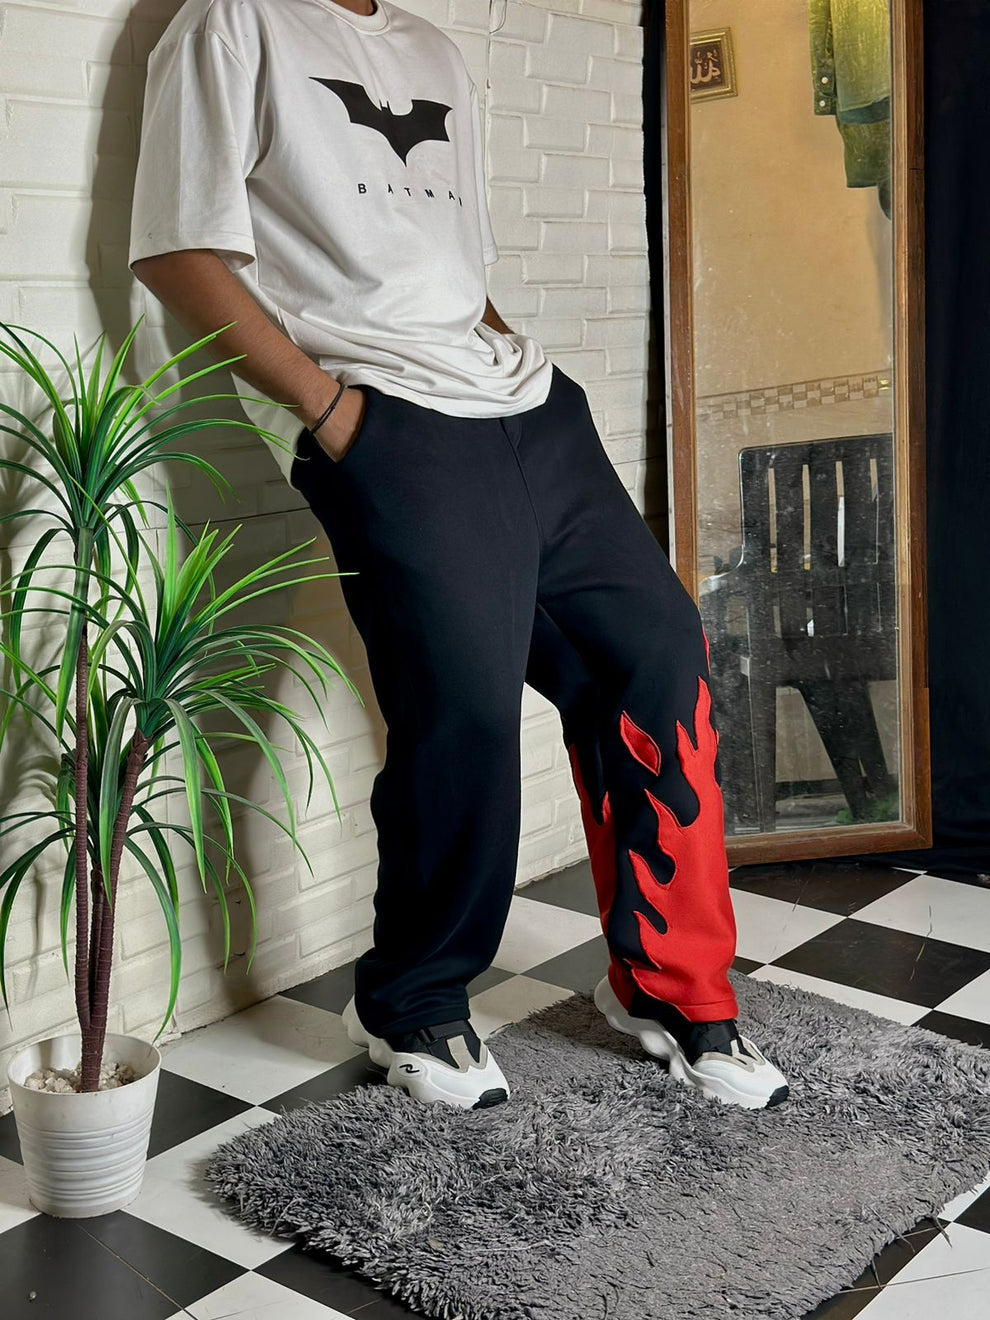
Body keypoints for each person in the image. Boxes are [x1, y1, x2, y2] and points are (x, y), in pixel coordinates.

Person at [129, 0, 789, 1112]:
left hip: (529, 408)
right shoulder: (234, 21)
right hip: (384, 417)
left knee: (657, 657)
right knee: (463, 706)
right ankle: (413, 999)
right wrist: (332, 411)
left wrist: (500, 342)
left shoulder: (432, 49)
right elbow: (176, 250)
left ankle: (670, 985)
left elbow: (445, 263)